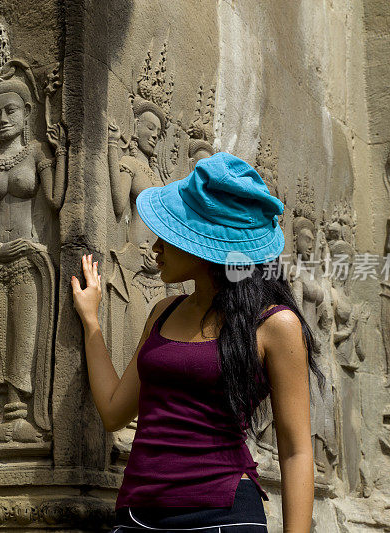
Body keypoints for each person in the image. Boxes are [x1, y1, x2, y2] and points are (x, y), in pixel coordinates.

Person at [71, 152, 322, 532]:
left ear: (208, 248)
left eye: (170, 235)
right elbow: (112, 412)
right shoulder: (164, 312)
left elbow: (296, 450)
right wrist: (91, 322)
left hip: (222, 519)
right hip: (138, 515)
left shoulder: (275, 325)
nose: (156, 246)